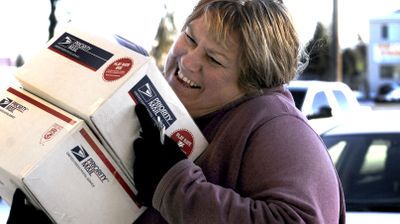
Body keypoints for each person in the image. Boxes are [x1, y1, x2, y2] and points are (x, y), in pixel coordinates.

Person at [7, 0, 346, 223]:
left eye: (213, 59)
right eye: (190, 37)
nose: (188, 60)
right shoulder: (168, 109)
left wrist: (175, 186)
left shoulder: (276, 127)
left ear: (253, 82)